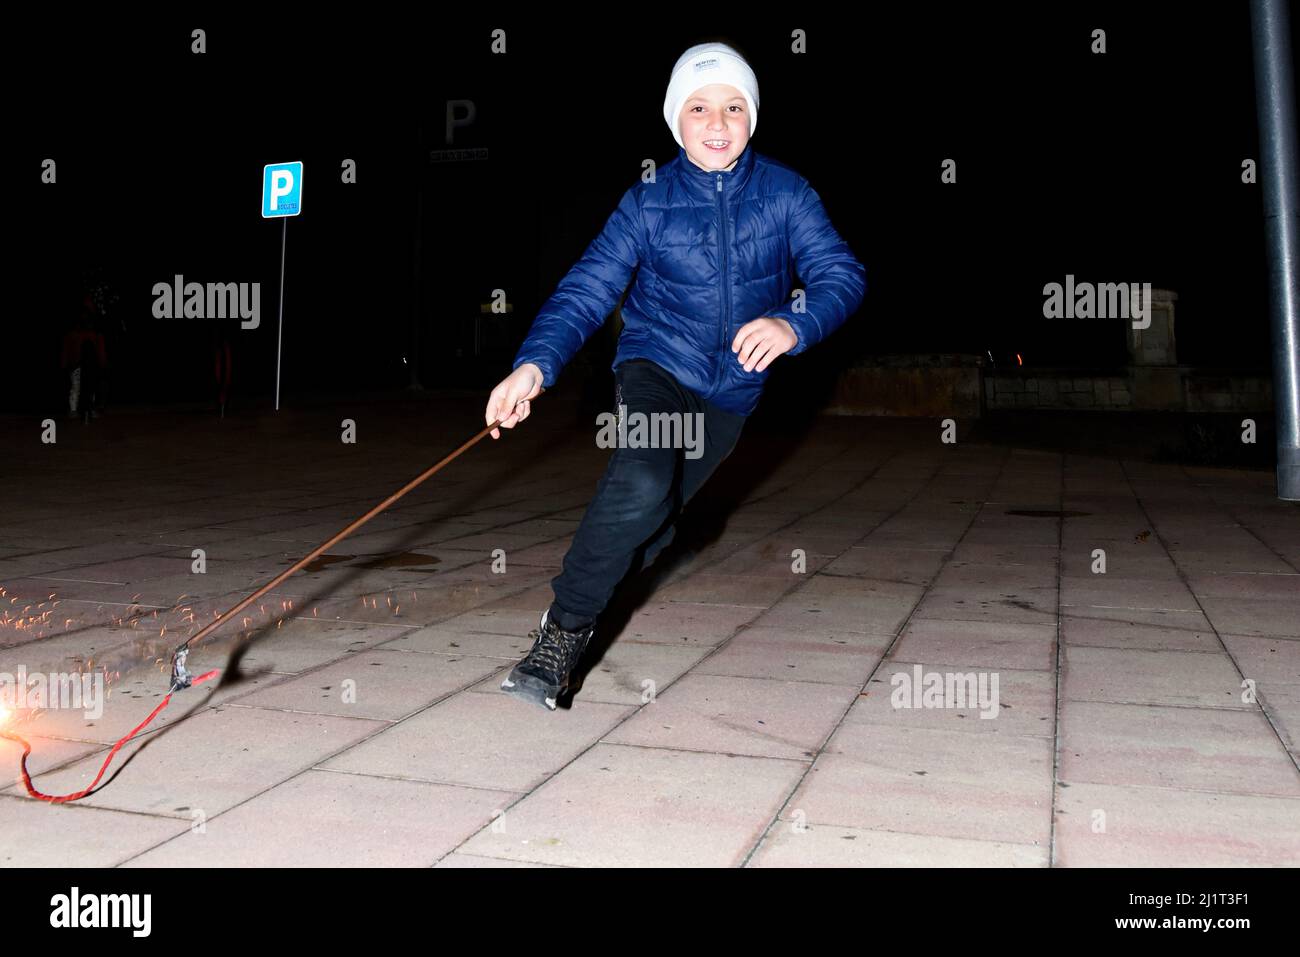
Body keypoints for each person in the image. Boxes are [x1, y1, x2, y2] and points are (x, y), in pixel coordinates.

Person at [485, 41, 867, 711]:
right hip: (658, 363)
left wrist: (792, 323)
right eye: (699, 108)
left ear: (752, 116)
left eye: (733, 107)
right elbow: (588, 288)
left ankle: (591, 597)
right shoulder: (649, 201)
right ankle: (564, 632)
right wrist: (533, 364)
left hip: (732, 391)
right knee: (640, 479)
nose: (717, 123)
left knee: (657, 528)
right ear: (675, 121)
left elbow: (841, 275)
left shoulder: (785, 193)